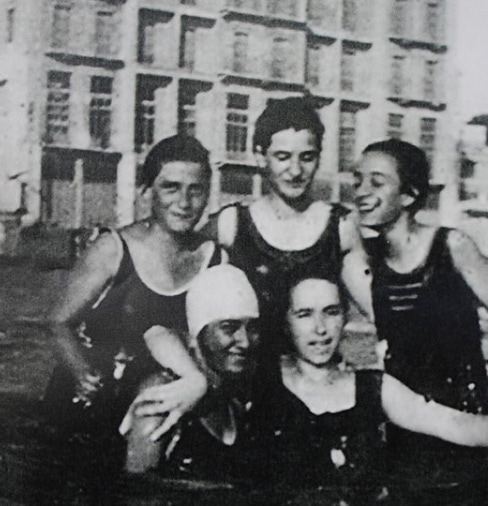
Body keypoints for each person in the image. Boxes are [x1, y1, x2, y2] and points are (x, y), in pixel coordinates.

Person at [134, 97, 373, 440]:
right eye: (282, 157)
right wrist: (193, 377)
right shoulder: (232, 224)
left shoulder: (340, 228)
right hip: (246, 389)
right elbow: (169, 311)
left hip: (313, 388)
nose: (295, 171)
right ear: (260, 156)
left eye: (307, 157)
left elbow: (381, 311)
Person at [247, 274, 488, 489]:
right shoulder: (261, 385)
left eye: (331, 312)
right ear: (286, 322)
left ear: (345, 318)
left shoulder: (374, 388)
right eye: (304, 315)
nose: (320, 329)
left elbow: (453, 423)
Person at [353, 139, 488, 469]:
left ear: (409, 195)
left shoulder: (452, 246)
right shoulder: (365, 260)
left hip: (471, 417)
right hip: (407, 427)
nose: (361, 192)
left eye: (376, 182)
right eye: (357, 180)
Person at [43, 135, 217, 442]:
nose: (184, 202)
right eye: (171, 187)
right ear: (146, 191)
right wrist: (80, 371)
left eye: (196, 190)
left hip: (163, 394)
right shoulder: (113, 249)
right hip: (93, 399)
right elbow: (57, 322)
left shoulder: (215, 259)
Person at [123, 264, 260, 477]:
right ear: (198, 334)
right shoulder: (164, 392)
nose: (245, 341)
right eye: (228, 327)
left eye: (252, 328)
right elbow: (136, 486)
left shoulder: (234, 404)